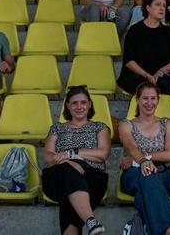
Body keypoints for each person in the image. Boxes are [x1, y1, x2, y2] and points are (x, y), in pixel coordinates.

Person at [42, 85, 111, 235]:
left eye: (83, 102)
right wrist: (66, 162)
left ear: (90, 104)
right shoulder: (57, 128)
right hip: (59, 175)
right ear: (67, 105)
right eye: (74, 103)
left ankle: (91, 224)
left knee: (69, 197)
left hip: (92, 176)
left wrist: (70, 154)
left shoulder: (100, 127)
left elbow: (103, 154)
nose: (79, 106)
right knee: (67, 171)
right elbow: (48, 155)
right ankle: (90, 220)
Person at [118, 82, 170, 235]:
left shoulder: (168, 123)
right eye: (145, 98)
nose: (149, 102)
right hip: (133, 175)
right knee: (147, 175)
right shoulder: (126, 125)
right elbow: (131, 147)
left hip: (162, 175)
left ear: (158, 101)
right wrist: (143, 163)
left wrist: (142, 158)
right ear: (137, 100)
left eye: (153, 98)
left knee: (144, 193)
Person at [117, 0, 170, 96]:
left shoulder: (169, 32)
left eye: (164, 6)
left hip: (161, 76)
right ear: (148, 8)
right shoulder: (135, 30)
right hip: (135, 75)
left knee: (163, 85)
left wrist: (161, 71)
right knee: (144, 86)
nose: (162, 8)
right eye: (158, 5)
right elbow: (129, 61)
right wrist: (147, 75)